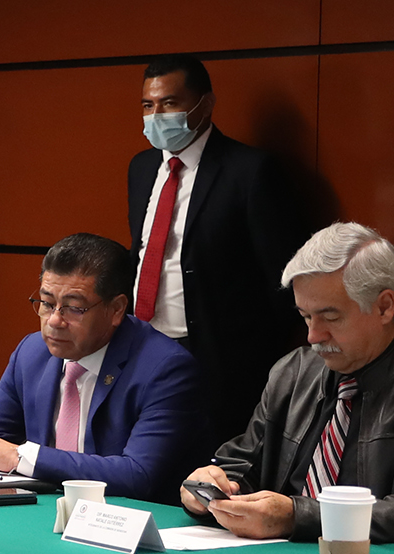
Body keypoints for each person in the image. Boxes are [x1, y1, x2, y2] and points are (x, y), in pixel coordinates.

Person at [181, 222, 394, 547]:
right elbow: (242, 465)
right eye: (306, 316)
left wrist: (298, 517)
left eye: (331, 317)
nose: (313, 336)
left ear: (384, 306)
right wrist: (211, 488)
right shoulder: (294, 371)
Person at [0, 233, 207, 501]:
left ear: (116, 309)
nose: (54, 321)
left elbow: (138, 475)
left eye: (74, 308)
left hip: (130, 518)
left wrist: (19, 456)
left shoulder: (165, 369)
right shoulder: (32, 353)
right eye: (47, 303)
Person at [128, 54, 312, 443]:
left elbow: (282, 277)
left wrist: (250, 352)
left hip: (219, 359)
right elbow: (141, 251)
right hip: (144, 344)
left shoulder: (250, 170)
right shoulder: (142, 167)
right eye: (148, 105)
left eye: (169, 103)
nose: (156, 116)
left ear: (206, 103)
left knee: (210, 460)